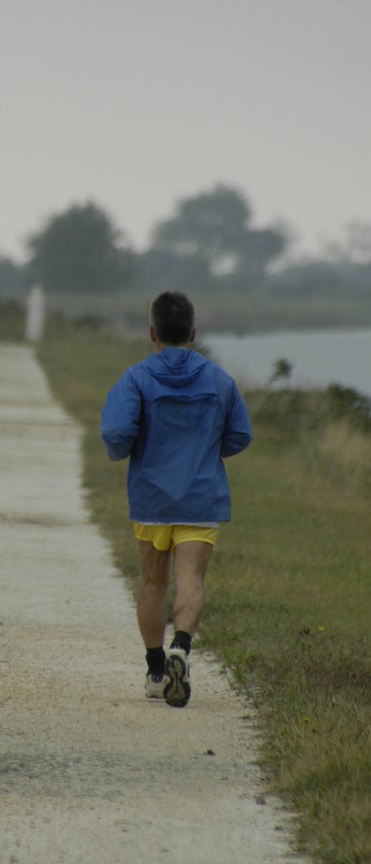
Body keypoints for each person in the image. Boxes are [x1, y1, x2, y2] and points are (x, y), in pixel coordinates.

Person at [100, 291, 252, 707]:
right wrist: (205, 452)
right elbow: (241, 434)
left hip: (152, 499)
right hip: (201, 500)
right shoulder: (220, 380)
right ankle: (180, 650)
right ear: (193, 332)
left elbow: (115, 434)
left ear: (152, 333)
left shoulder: (135, 378)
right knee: (191, 582)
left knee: (153, 582)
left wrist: (131, 451)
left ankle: (154, 671)